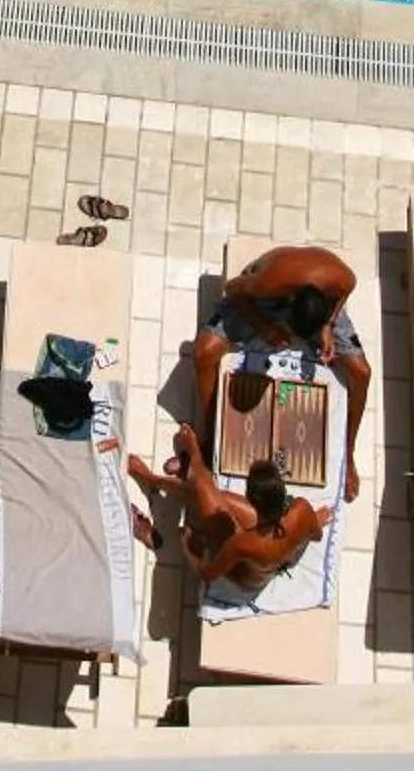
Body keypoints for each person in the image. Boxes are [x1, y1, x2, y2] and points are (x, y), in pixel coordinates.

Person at [192, 243, 372, 498]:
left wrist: (328, 326)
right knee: (203, 353)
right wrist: (263, 327)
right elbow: (232, 290)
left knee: (363, 373)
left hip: (319, 312)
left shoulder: (341, 278)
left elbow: (344, 293)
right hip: (261, 305)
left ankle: (348, 455)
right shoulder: (267, 282)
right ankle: (211, 438)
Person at [128, 427, 329, 589]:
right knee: (216, 498)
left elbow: (207, 573)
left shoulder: (242, 544)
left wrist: (188, 547)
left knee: (203, 490)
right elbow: (317, 535)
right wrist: (313, 520)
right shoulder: (302, 509)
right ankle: (166, 478)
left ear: (251, 499)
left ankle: (158, 475)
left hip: (244, 577)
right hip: (265, 561)